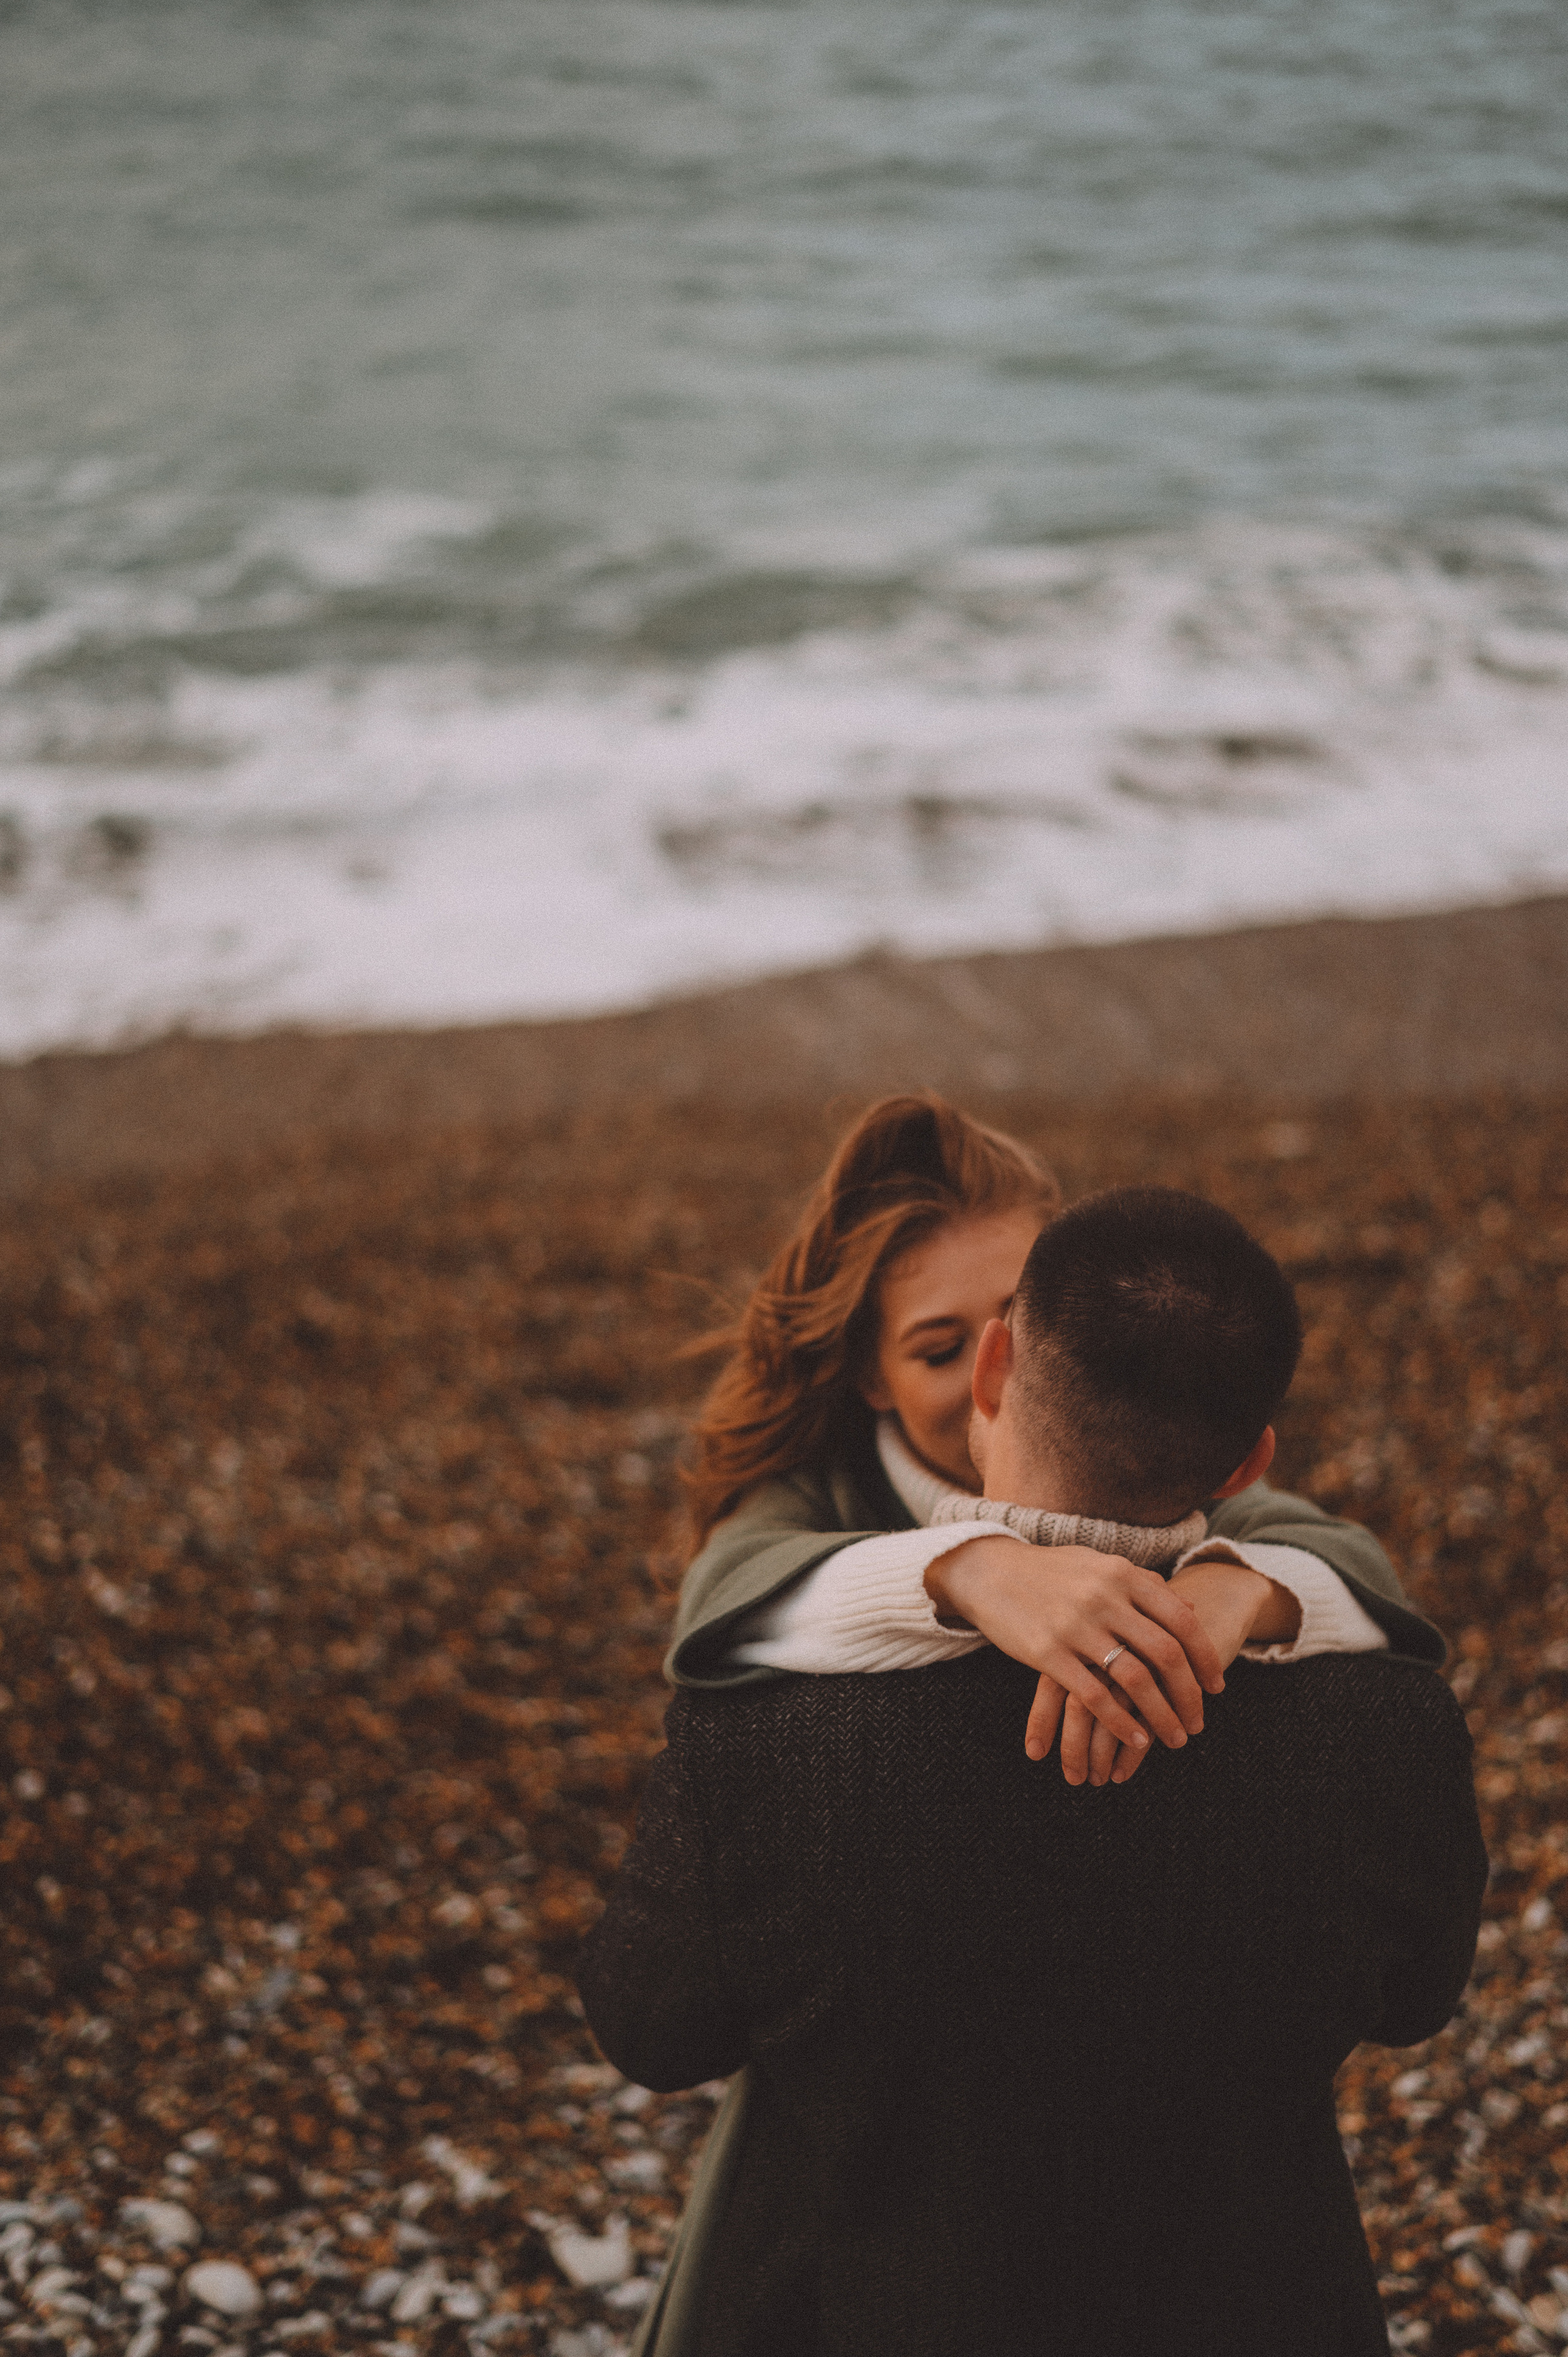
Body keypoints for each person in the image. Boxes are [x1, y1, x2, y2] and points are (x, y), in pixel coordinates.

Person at [579, 1189, 1485, 2357]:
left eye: (984, 1332)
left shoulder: (759, 1745)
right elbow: (1419, 1999)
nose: (961, 1378)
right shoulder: (1388, 1727)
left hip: (851, 2304)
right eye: (929, 1344)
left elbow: (651, 2029)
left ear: (1013, 1355)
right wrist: (965, 1570)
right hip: (1249, 2302)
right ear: (1252, 1450)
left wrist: (1243, 1592)